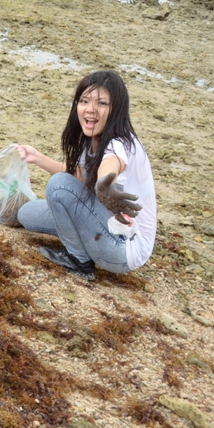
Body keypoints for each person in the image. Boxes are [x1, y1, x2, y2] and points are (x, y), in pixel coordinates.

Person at [16, 71, 156, 281]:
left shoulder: (121, 143)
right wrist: (38, 158)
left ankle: (80, 261)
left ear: (116, 109)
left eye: (102, 103)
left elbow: (111, 164)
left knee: (58, 185)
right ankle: (82, 245)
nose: (90, 109)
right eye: (84, 101)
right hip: (105, 226)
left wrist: (104, 183)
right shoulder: (92, 140)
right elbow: (79, 176)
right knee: (26, 214)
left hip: (123, 247)